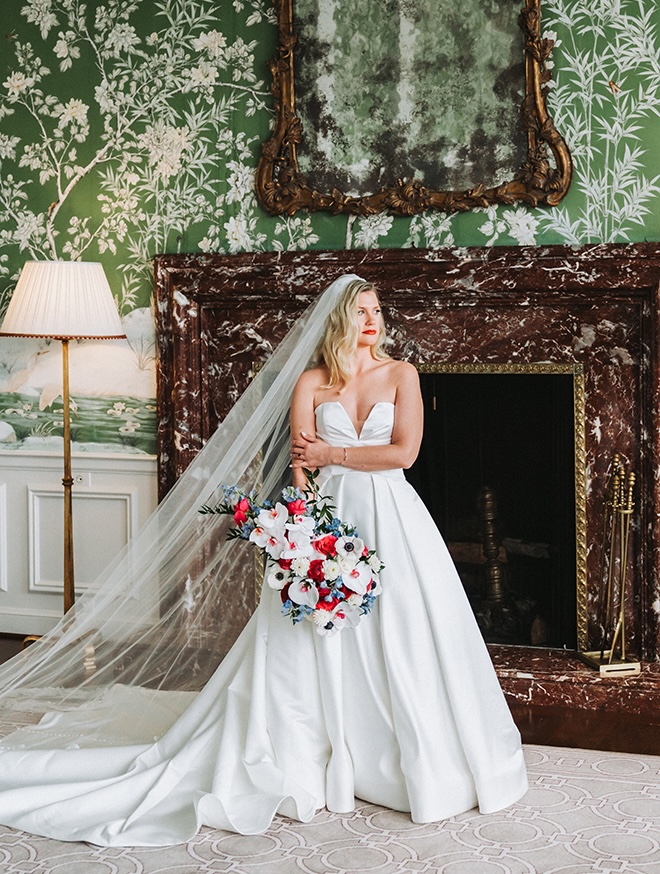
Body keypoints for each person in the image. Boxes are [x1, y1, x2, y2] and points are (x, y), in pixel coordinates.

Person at [0, 274, 527, 847]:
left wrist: (336, 452)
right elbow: (300, 467)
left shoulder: (402, 374)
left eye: (377, 310)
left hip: (392, 513)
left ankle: (401, 755)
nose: (372, 321)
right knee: (308, 633)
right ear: (339, 321)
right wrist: (305, 531)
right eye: (360, 312)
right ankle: (308, 748)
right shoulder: (311, 382)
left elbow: (405, 451)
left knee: (404, 629)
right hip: (328, 515)